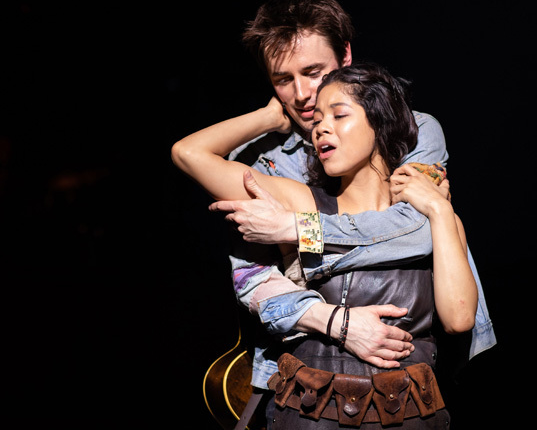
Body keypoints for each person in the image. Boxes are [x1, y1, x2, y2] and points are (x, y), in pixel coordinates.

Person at [174, 61, 478, 428]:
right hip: (310, 415)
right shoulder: (302, 203)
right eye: (317, 121)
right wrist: (269, 117)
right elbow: (189, 153)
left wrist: (440, 210)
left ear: (378, 122)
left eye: (338, 115)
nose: (321, 129)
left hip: (407, 415)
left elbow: (460, 319)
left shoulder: (428, 220)